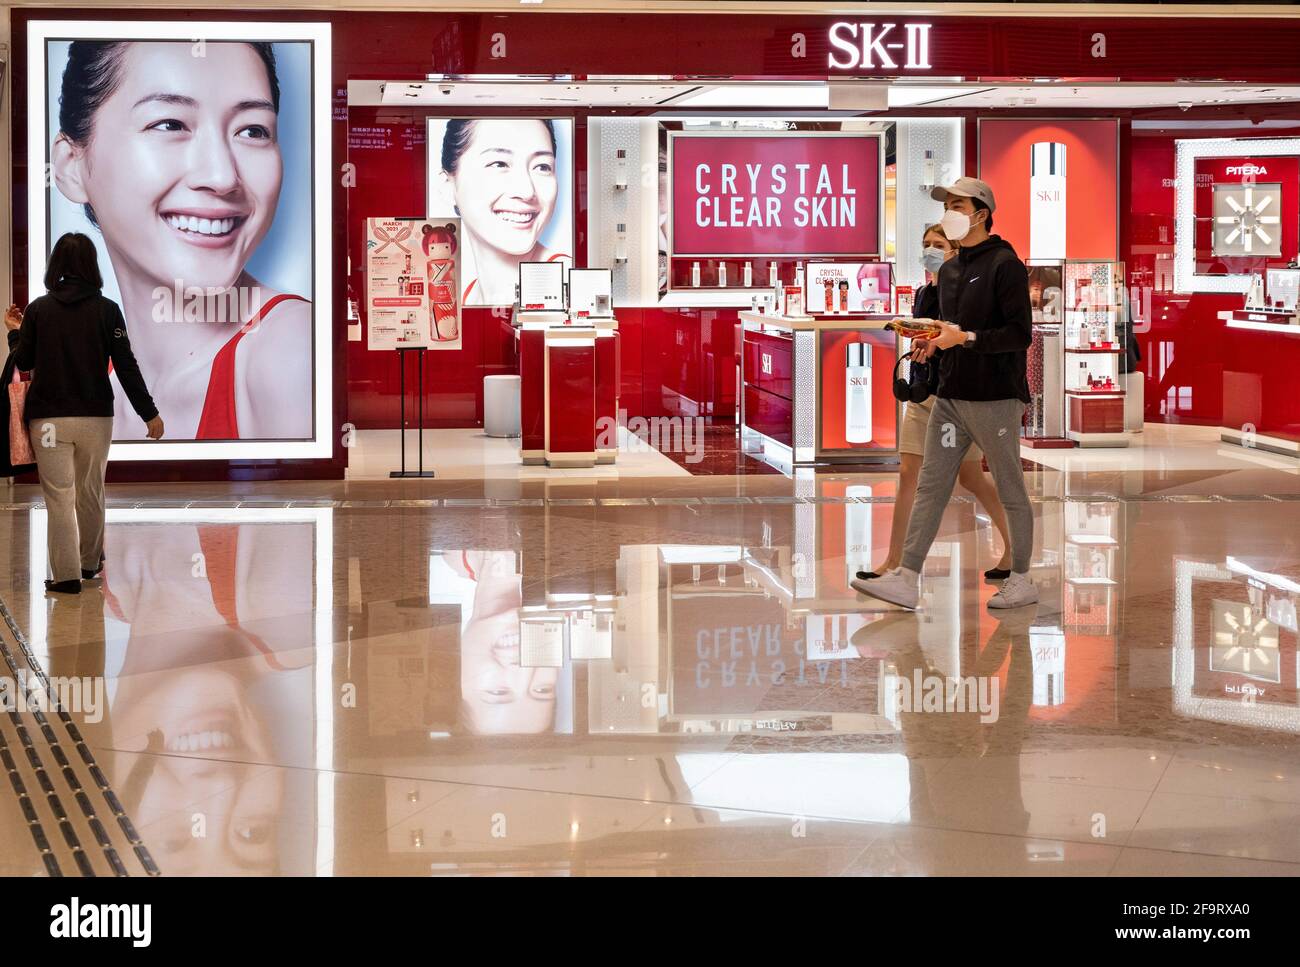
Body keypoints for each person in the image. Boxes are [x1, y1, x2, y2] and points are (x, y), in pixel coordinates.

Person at [50, 40, 310, 440]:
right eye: (170, 124)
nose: (222, 176)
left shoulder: (291, 351)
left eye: (253, 130)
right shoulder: (95, 377)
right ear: (71, 167)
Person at [853, 177, 1036, 610]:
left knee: (1009, 485)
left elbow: (1018, 334)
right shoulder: (951, 270)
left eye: (957, 204)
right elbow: (949, 330)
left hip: (994, 397)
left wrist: (966, 338)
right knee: (930, 485)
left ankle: (1023, 577)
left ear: (981, 214)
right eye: (947, 204)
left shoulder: (1005, 265)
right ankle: (906, 577)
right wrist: (933, 342)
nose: (949, 212)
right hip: (951, 395)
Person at [5, 233, 164, 594]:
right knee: (91, 491)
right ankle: (89, 564)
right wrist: (149, 413)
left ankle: (65, 576)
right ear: (92, 265)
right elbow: (126, 366)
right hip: (95, 417)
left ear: (56, 266)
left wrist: (15, 334)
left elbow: (25, 361)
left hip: (49, 419)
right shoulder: (107, 310)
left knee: (59, 496)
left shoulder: (39, 310)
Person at [858, 223, 1013, 581]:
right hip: (925, 392)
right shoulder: (925, 292)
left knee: (971, 476)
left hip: (958, 398)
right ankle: (894, 561)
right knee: (908, 473)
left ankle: (1015, 548)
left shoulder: (968, 293)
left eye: (938, 244)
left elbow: (967, 338)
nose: (930, 250)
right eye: (926, 243)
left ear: (955, 249)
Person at [435, 118, 570, 306]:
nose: (526, 191)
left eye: (542, 167)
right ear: (448, 186)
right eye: (499, 164)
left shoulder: (573, 287)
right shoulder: (469, 297)